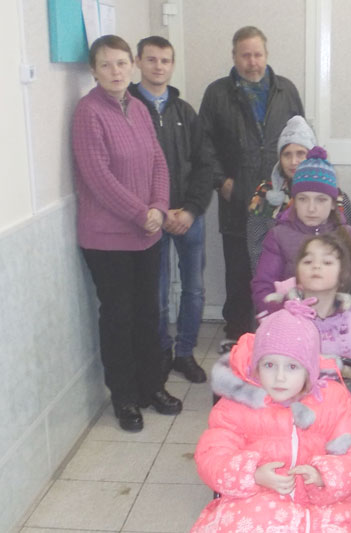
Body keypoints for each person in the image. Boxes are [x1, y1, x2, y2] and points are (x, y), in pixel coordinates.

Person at [72, 35, 182, 432]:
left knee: (148, 314)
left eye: (121, 63)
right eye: (106, 65)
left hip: (146, 234)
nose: (115, 71)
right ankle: (125, 397)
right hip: (107, 240)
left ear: (131, 65)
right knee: (119, 318)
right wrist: (141, 212)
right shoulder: (88, 113)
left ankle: (152, 386)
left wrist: (159, 207)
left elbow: (158, 162)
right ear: (94, 71)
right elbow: (97, 177)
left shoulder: (137, 107)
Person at [192, 300, 351, 532]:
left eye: (292, 367)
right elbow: (212, 455)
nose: (279, 377)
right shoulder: (238, 405)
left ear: (310, 370)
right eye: (269, 365)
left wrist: (324, 476)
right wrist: (252, 475)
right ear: (256, 366)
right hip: (255, 503)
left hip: (325, 508)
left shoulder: (333, 401)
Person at [198, 26, 304, 352]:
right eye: (246, 55)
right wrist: (221, 181)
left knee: (280, 268)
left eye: (258, 54)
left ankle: (280, 331)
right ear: (234, 57)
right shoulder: (217, 93)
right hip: (238, 198)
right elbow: (203, 144)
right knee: (239, 270)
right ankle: (237, 335)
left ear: (266, 55)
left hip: (282, 199)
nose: (253, 62)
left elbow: (300, 137)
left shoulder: (286, 90)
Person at [130, 36, 212, 384]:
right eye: (151, 59)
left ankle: (185, 353)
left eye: (165, 60)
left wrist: (191, 210)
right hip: (150, 219)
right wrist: (158, 212)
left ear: (172, 65)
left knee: (193, 289)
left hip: (188, 216)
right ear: (138, 62)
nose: (158, 66)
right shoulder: (128, 108)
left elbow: (205, 165)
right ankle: (162, 351)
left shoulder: (184, 112)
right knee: (157, 291)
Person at [264, 233, 351, 404]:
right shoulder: (281, 320)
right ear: (297, 275)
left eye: (327, 262)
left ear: (342, 277)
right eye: (308, 261)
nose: (316, 266)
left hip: (343, 411)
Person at [251, 147, 351, 316]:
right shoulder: (278, 236)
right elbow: (264, 285)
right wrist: (283, 314)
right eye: (303, 199)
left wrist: (341, 315)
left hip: (340, 322)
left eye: (321, 200)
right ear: (294, 201)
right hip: (291, 320)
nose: (311, 208)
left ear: (333, 203)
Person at [246, 115, 351, 272]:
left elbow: (349, 248)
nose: (293, 161)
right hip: (278, 277)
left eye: (300, 153)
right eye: (287, 154)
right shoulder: (265, 194)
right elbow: (256, 249)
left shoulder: (337, 198)